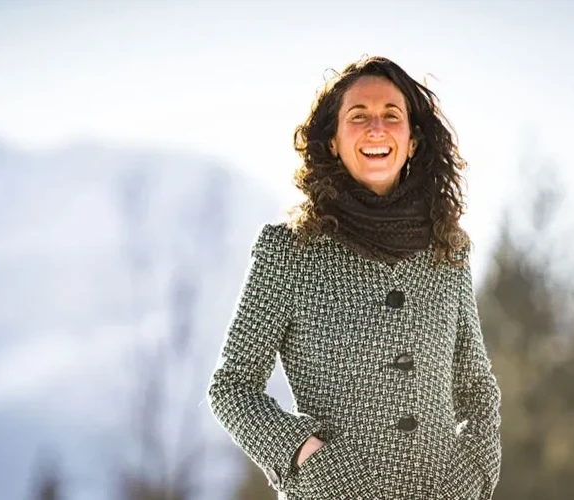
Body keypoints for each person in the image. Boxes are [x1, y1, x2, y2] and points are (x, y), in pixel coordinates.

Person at [207, 55, 502, 500]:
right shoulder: (289, 251)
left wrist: (474, 472)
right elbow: (231, 388)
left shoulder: (449, 251)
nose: (376, 129)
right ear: (332, 142)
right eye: (358, 117)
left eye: (391, 116)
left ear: (413, 142)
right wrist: (307, 455)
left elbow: (476, 389)